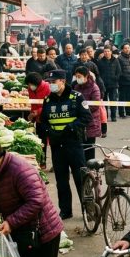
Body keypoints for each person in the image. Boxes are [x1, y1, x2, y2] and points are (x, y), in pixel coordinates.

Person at [0, 138, 62, 257]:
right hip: (26, 231)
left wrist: (11, 222)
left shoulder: (20, 171)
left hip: (43, 234)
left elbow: (36, 201)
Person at [41, 69, 92, 220]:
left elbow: (86, 117)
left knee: (80, 178)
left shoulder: (76, 97)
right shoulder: (48, 100)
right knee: (61, 181)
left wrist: (71, 127)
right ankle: (65, 210)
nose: (50, 85)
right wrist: (49, 131)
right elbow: (43, 121)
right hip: (57, 146)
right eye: (49, 82)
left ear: (62, 81)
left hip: (73, 144)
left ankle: (88, 210)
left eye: (53, 82)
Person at [73, 66, 102, 161]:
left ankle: (90, 169)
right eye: (76, 76)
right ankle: (81, 167)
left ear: (86, 76)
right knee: (79, 147)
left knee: (89, 148)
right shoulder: (76, 87)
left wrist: (81, 110)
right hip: (79, 122)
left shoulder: (94, 88)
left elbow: (95, 105)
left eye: (79, 76)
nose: (78, 78)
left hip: (91, 122)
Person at [26, 72, 51, 170]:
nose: (29, 86)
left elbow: (48, 105)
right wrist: (32, 114)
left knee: (53, 141)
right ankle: (42, 162)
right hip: (39, 120)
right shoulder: (30, 89)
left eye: (30, 84)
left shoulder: (47, 88)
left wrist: (37, 112)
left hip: (49, 118)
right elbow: (33, 103)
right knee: (41, 142)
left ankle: (57, 164)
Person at [97, 45, 121, 122]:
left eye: (108, 51)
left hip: (113, 85)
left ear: (111, 52)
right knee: (104, 102)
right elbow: (98, 74)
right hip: (103, 85)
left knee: (113, 101)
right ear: (103, 52)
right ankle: (105, 116)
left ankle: (113, 116)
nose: (107, 53)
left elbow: (119, 71)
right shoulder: (100, 62)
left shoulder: (116, 60)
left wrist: (116, 78)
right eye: (105, 51)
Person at [117, 43, 130, 118]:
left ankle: (128, 111)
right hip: (123, 81)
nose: (127, 49)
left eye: (128, 48)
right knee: (122, 97)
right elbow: (119, 70)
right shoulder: (120, 58)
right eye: (125, 48)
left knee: (129, 97)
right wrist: (123, 77)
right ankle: (121, 113)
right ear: (122, 49)